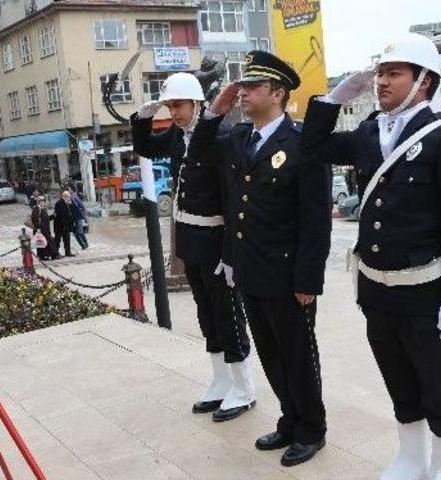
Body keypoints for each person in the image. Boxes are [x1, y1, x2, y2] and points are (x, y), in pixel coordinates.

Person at [300, 33, 441, 480]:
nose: (381, 82)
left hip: (426, 292)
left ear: (423, 81)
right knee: (399, 380)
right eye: (380, 72)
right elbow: (313, 148)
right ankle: (411, 456)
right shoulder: (369, 133)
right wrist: (333, 98)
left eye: (393, 73)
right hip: (378, 291)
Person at [188, 51, 332, 467]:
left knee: (299, 355)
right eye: (242, 86)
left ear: (278, 93)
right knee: (270, 353)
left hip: (289, 275)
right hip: (249, 271)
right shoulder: (238, 138)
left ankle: (312, 429)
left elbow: (315, 220)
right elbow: (198, 153)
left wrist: (308, 280)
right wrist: (215, 110)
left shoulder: (302, 142)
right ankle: (289, 419)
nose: (243, 92)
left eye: (252, 86)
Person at [131, 72, 256, 422]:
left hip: (217, 239)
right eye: (170, 106)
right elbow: (144, 147)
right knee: (207, 315)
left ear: (198, 104)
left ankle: (243, 388)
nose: (173, 112)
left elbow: (234, 200)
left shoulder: (221, 136)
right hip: (191, 239)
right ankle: (220, 381)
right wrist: (143, 117)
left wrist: (233, 252)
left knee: (228, 314)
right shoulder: (175, 136)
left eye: (178, 105)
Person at [31, 196, 59, 260]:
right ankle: (53, 255)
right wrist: (38, 228)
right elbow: (34, 219)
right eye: (42, 201)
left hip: (45, 229)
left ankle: (45, 255)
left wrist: (52, 216)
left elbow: (46, 219)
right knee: (45, 242)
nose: (44, 203)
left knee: (44, 243)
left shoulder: (43, 209)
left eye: (44, 201)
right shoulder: (36, 208)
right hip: (40, 230)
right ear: (39, 202)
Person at [53, 191, 76, 257]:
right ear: (64, 196)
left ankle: (68, 252)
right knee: (57, 241)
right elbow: (61, 216)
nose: (70, 199)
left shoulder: (67, 203)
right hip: (59, 226)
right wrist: (65, 225)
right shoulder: (59, 203)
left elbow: (69, 214)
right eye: (69, 197)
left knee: (67, 240)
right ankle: (55, 253)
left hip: (65, 226)